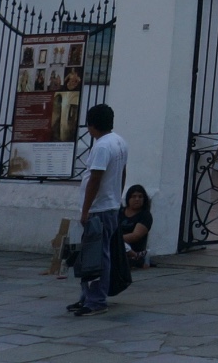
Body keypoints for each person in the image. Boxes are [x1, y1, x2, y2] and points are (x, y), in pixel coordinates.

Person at [70, 104, 129, 315]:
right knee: (92, 254)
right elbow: (122, 173)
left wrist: (85, 210)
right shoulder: (119, 142)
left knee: (97, 255)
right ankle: (87, 297)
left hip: (100, 208)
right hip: (110, 205)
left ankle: (96, 300)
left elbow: (95, 178)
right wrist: (118, 196)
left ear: (91, 124)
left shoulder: (102, 147)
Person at [119, 185, 153, 269]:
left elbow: (136, 236)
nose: (137, 199)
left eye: (140, 197)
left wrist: (116, 239)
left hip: (132, 247)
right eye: (134, 197)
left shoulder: (145, 216)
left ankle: (136, 257)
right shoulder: (120, 212)